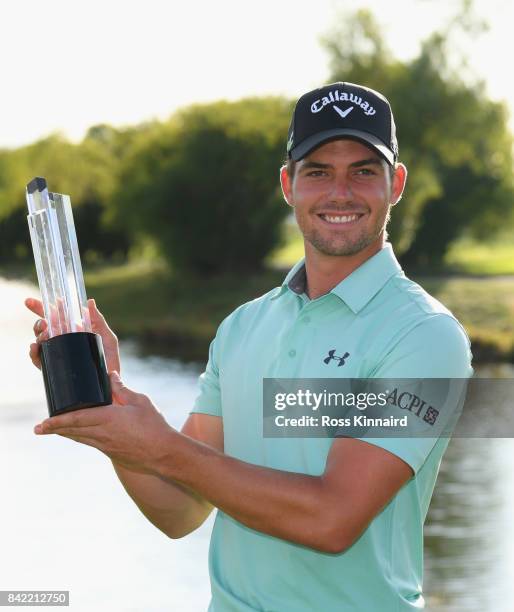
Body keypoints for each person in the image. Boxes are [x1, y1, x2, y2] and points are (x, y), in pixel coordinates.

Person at [26, 82, 473, 611]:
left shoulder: (423, 334)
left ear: (395, 183)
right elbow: (180, 511)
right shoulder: (243, 327)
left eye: (363, 171)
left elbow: (332, 519)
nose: (340, 192)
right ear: (288, 184)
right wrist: (108, 407)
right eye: (317, 172)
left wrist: (164, 447)